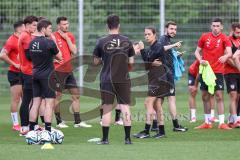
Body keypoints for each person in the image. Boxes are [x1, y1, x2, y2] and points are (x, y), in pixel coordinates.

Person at [93, 14, 134, 144]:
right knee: (125, 106)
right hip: (123, 78)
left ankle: (105, 139)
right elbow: (131, 62)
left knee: (107, 107)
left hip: (106, 78)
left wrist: (103, 59)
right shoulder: (127, 41)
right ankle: (127, 139)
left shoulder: (101, 41)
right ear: (119, 25)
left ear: (107, 26)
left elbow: (95, 62)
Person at [52, 16, 91, 128]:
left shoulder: (70, 35)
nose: (66, 26)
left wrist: (67, 38)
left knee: (76, 95)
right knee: (58, 96)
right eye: (64, 24)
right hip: (58, 71)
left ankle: (77, 121)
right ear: (58, 25)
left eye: (67, 23)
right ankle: (59, 122)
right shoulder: (53, 36)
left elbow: (74, 51)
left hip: (69, 71)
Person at [194, 17, 232, 129]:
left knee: (219, 96)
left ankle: (221, 123)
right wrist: (200, 60)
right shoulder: (204, 37)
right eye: (214, 26)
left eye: (217, 26)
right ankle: (207, 122)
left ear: (221, 27)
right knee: (205, 96)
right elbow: (197, 51)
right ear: (211, 26)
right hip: (206, 71)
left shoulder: (225, 38)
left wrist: (225, 56)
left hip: (218, 71)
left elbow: (229, 52)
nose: (215, 28)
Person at [133, 26, 168, 139]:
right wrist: (149, 62)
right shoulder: (152, 47)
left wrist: (142, 49)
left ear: (154, 35)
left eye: (149, 34)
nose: (146, 36)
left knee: (148, 102)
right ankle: (161, 132)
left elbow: (147, 61)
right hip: (156, 77)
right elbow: (147, 63)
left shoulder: (158, 46)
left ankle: (146, 131)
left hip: (158, 78)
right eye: (145, 34)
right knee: (157, 104)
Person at [27, 19, 62, 132]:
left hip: (35, 74)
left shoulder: (31, 43)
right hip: (47, 76)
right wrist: (54, 41)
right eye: (50, 29)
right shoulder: (49, 42)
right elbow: (60, 56)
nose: (51, 31)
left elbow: (29, 57)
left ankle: (32, 130)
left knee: (35, 102)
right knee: (49, 102)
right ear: (43, 29)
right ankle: (48, 131)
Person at [158, 21, 188, 132]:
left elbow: (165, 53)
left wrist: (177, 54)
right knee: (171, 99)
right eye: (171, 29)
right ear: (166, 29)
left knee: (159, 100)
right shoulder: (163, 39)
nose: (173, 31)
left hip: (164, 73)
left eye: (175, 29)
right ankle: (176, 125)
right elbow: (162, 48)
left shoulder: (167, 40)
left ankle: (155, 125)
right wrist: (174, 45)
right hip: (165, 73)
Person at [0, 20, 25, 131]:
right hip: (15, 73)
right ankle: (15, 125)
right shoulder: (11, 40)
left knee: (26, 99)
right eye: (25, 26)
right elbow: (2, 54)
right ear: (19, 28)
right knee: (16, 99)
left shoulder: (23, 39)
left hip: (25, 73)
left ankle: (27, 123)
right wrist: (15, 64)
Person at [18, 15, 38, 135]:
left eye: (36, 25)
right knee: (27, 100)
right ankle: (25, 127)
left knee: (31, 100)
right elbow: (29, 56)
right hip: (28, 73)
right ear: (26, 25)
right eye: (34, 25)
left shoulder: (28, 35)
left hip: (27, 72)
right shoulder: (25, 36)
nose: (35, 27)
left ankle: (31, 126)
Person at [224, 23, 240, 128]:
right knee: (233, 95)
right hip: (230, 72)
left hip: (239, 72)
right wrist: (238, 67)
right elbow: (228, 58)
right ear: (232, 31)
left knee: (238, 97)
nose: (239, 34)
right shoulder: (227, 40)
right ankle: (235, 121)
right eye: (237, 32)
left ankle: (231, 119)